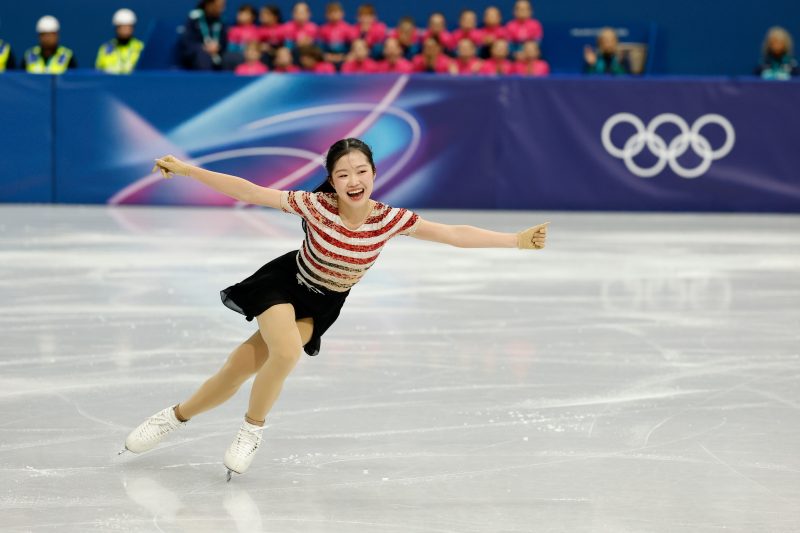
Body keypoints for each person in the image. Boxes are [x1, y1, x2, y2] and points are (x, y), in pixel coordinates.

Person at [121, 138, 549, 480]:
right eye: (343, 173)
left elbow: (453, 233)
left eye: (361, 171)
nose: (353, 180)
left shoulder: (390, 219)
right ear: (332, 179)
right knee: (285, 353)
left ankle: (174, 416)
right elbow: (249, 191)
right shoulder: (315, 206)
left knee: (240, 367)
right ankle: (251, 429)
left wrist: (516, 240)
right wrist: (187, 170)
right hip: (284, 283)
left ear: (374, 174)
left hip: (324, 303)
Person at [179, 0, 232, 70]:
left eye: (223, 6)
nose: (222, 10)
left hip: (217, 54)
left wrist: (218, 47)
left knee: (231, 57)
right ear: (209, 5)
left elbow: (224, 42)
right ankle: (207, 77)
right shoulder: (195, 19)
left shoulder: (221, 21)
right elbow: (188, 42)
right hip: (198, 55)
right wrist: (203, 48)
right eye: (219, 6)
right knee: (202, 54)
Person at [95, 8, 144, 74]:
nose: (125, 30)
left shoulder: (141, 48)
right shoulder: (105, 48)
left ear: (132, 28)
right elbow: (98, 72)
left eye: (128, 27)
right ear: (116, 28)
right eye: (122, 27)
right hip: (110, 80)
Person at [319, 2, 355, 66]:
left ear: (342, 13)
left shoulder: (348, 28)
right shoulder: (323, 29)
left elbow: (353, 45)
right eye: (331, 12)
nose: (333, 15)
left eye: (336, 12)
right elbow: (320, 47)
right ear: (326, 15)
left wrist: (348, 56)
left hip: (344, 57)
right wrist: (326, 56)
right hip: (329, 58)